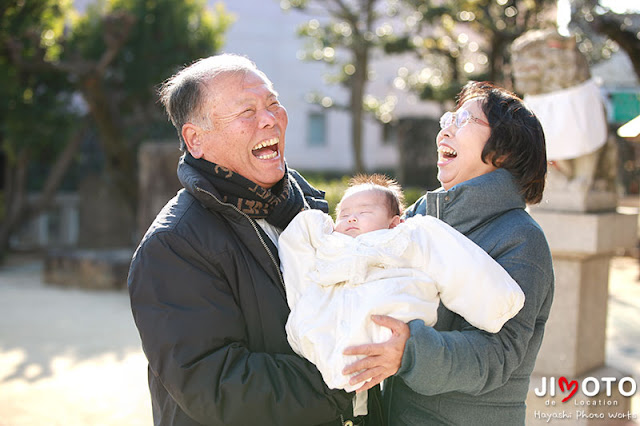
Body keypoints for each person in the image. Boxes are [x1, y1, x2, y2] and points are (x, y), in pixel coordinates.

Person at [127, 53, 378, 426]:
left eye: (273, 103)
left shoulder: (306, 210)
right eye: (247, 111)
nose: (269, 119)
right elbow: (217, 384)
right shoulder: (174, 245)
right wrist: (348, 380)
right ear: (195, 139)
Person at [341, 81, 555, 425]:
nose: (444, 133)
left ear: (504, 151)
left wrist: (410, 351)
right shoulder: (420, 216)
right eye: (446, 121)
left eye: (464, 121)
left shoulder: (521, 238)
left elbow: (498, 355)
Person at [279, 174, 525, 417]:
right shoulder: (331, 245)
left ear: (395, 222)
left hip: (386, 315)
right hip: (330, 331)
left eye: (364, 212)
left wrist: (497, 305)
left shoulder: (407, 236)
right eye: (343, 214)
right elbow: (297, 257)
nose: (351, 217)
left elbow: (452, 260)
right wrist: (310, 222)